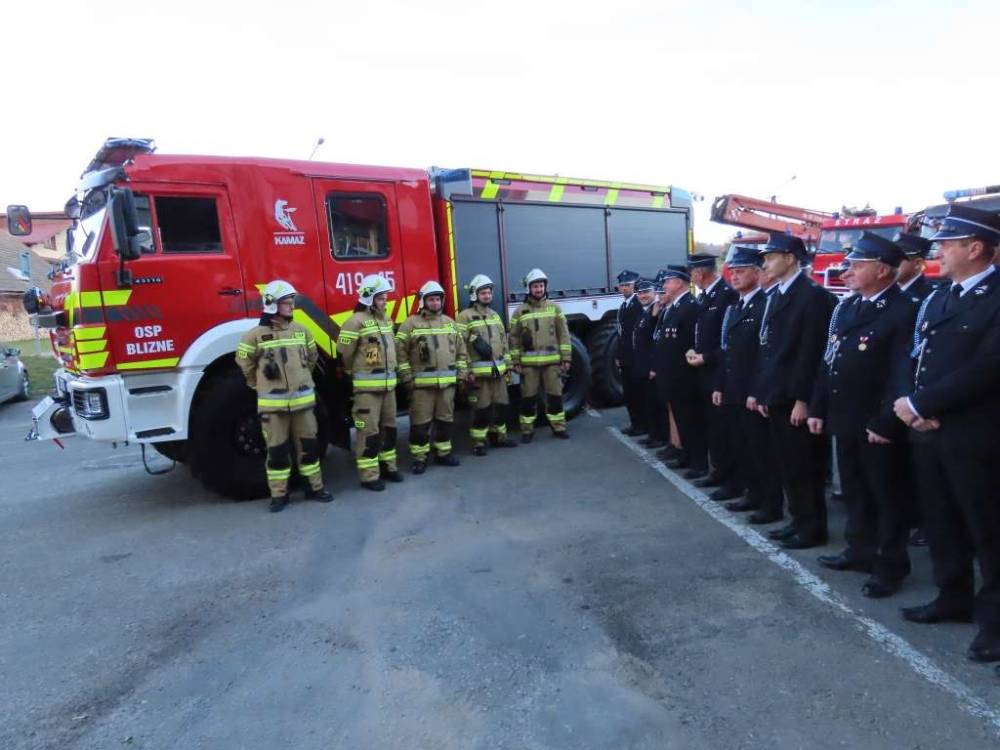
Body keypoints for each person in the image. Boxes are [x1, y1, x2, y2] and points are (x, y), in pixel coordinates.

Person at [892, 204, 1000, 663]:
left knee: (988, 531)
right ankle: (952, 596)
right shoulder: (941, 296)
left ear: (974, 248)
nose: (938, 251)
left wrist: (923, 405)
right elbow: (916, 355)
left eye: (948, 244)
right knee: (942, 521)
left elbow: (989, 367)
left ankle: (995, 625)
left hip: (976, 435)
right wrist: (910, 404)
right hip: (930, 432)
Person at [807, 232, 916, 598]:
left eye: (856, 265)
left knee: (887, 496)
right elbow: (829, 361)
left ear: (882, 270)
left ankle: (890, 565)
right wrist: (818, 407)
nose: (847, 271)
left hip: (876, 423)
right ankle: (860, 550)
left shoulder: (903, 310)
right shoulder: (850, 307)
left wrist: (886, 421)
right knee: (855, 490)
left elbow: (902, 373)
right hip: (846, 416)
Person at [753, 233, 837, 549]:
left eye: (770, 257)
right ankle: (798, 520)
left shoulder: (812, 296)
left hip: (796, 398)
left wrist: (804, 400)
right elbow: (770, 351)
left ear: (789, 258)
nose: (765, 264)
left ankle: (812, 528)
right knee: (788, 465)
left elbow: (811, 353)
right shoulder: (779, 293)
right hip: (778, 394)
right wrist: (765, 392)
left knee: (805, 466)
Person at [236, 280, 332, 512]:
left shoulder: (302, 331)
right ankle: (279, 494)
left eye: (291, 302)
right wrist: (258, 384)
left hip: (303, 405)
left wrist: (301, 379)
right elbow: (244, 363)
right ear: (272, 304)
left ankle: (314, 487)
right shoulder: (254, 336)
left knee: (309, 448)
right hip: (273, 408)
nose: (291, 306)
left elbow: (311, 359)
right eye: (286, 303)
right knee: (277, 452)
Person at [711, 247, 783, 519]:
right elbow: (726, 350)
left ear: (757, 273)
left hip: (752, 392)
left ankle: (770, 504)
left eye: (741, 271)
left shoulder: (766, 305)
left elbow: (765, 355)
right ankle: (751, 493)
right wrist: (719, 385)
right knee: (741, 446)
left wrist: (757, 391)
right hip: (733, 388)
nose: (735, 276)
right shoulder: (735, 307)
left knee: (761, 450)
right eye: (733, 272)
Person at [336, 274, 405, 491]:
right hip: (367, 391)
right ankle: (369, 476)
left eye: (385, 297)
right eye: (381, 298)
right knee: (369, 433)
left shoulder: (386, 320)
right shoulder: (354, 322)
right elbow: (344, 354)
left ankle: (389, 467)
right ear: (368, 298)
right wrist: (354, 373)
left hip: (388, 387)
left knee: (389, 429)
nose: (385, 301)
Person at [396, 281, 468, 473]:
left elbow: (461, 352)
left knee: (445, 422)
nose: (435, 303)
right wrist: (406, 377)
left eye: (437, 299)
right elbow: (400, 354)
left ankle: (443, 453)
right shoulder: (410, 324)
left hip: (447, 386)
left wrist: (461, 375)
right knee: (420, 425)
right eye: (431, 299)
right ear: (423, 301)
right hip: (421, 388)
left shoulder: (450, 323)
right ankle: (420, 458)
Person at [685, 253, 739, 492]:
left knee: (723, 429)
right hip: (704, 372)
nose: (691, 278)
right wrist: (693, 349)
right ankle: (717, 471)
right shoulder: (706, 296)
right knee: (712, 427)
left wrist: (706, 357)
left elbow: (727, 340)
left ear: (700, 273)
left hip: (719, 372)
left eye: (692, 274)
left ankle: (730, 478)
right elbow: (702, 332)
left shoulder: (726, 295)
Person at [653, 265, 706, 478]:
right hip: (672, 376)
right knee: (682, 420)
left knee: (691, 421)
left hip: (685, 376)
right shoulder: (674, 307)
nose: (665, 285)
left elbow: (693, 342)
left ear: (680, 283)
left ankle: (698, 463)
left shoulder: (690, 307)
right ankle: (686, 454)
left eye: (668, 281)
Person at [457, 274, 518, 456]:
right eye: (483, 293)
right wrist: (466, 371)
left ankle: (500, 437)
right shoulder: (464, 317)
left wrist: (508, 365)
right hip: (478, 376)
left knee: (501, 406)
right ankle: (479, 442)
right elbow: (459, 346)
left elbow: (504, 343)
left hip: (498, 373)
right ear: (475, 295)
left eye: (489, 292)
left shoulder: (495, 315)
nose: (487, 296)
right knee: (481, 409)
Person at [510, 268, 572, 442]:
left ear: (545, 287)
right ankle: (527, 431)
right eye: (535, 286)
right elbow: (514, 338)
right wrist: (515, 361)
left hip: (552, 363)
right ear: (529, 288)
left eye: (541, 286)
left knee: (555, 397)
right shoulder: (519, 312)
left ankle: (559, 427)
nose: (538, 289)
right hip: (528, 365)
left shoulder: (555, 308)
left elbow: (564, 334)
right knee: (528, 399)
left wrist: (566, 358)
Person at [635, 275, 671, 449]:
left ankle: (660, 436)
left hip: (652, 366)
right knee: (648, 402)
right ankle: (653, 434)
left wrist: (653, 367)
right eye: (640, 293)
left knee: (657, 404)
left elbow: (656, 342)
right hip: (643, 365)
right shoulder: (646, 311)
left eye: (646, 292)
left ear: (654, 293)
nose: (643, 295)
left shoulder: (656, 312)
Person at [615, 270, 646, 436]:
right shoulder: (623, 306)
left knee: (638, 393)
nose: (625, 288)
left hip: (635, 357)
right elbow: (621, 334)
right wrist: (618, 355)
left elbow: (638, 334)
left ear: (634, 286)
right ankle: (635, 424)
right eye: (622, 285)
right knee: (629, 393)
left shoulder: (638, 304)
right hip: (625, 358)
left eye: (628, 285)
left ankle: (642, 425)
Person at [895, 231, 939, 302]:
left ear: (918, 263)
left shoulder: (932, 295)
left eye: (897, 259)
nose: (890, 263)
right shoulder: (886, 289)